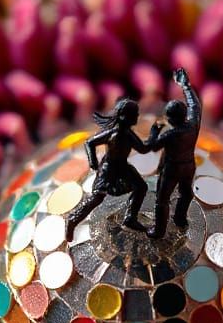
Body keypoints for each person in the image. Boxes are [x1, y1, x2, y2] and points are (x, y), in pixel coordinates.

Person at [64, 98, 160, 241]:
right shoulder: (114, 133)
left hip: (123, 167)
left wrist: (153, 135)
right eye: (134, 114)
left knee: (141, 187)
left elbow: (143, 149)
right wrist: (93, 163)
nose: (137, 117)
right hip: (108, 169)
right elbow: (89, 142)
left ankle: (130, 218)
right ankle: (73, 219)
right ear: (124, 117)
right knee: (97, 197)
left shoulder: (128, 134)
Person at [146, 67, 202, 240]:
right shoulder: (193, 124)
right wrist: (185, 85)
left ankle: (159, 231)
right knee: (186, 193)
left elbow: (152, 147)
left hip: (172, 170)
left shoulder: (170, 134)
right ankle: (180, 218)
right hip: (189, 166)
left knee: (162, 200)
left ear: (170, 119)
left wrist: (154, 131)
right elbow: (195, 104)